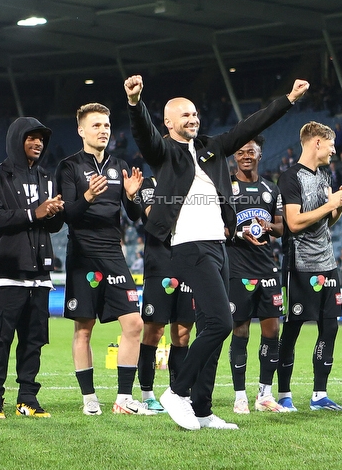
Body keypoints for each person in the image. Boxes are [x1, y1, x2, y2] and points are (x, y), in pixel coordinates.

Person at [126, 74, 307, 430]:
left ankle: (204, 410)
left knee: (213, 326)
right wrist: (135, 103)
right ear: (168, 123)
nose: (192, 119)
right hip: (188, 244)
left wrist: (288, 99)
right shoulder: (163, 151)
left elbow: (251, 124)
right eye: (184, 116)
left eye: (195, 114)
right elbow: (143, 134)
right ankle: (176, 392)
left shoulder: (212, 147)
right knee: (223, 322)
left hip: (218, 244)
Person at [57, 103, 152, 417]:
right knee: (84, 329)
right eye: (96, 125)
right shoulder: (69, 167)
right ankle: (89, 399)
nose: (103, 131)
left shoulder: (119, 165)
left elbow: (135, 217)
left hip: (114, 254)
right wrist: (87, 197)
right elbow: (67, 215)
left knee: (134, 323)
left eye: (106, 126)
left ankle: (123, 398)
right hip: (83, 255)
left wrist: (131, 195)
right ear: (82, 130)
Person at [0, 117, 64, 419]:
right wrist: (34, 213)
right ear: (17, 139)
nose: (38, 143)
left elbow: (51, 224)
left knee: (34, 340)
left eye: (41, 139)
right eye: (31, 138)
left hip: (40, 274)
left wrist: (54, 213)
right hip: (7, 271)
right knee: (0, 339)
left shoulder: (45, 176)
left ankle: (27, 397)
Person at [275, 121, 342, 412]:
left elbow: (325, 221)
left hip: (327, 262)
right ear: (316, 143)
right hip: (300, 265)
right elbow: (294, 223)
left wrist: (340, 205)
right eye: (330, 143)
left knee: (330, 327)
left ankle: (320, 395)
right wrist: (329, 202)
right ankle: (284, 394)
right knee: (293, 328)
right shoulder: (289, 177)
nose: (335, 149)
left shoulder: (324, 176)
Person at [225, 137, 287, 414]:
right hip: (238, 269)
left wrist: (269, 227)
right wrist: (241, 232)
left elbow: (282, 227)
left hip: (267, 268)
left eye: (251, 151)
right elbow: (220, 226)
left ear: (260, 155)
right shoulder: (225, 187)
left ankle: (265, 393)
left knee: (272, 330)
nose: (245, 156)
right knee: (240, 329)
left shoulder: (271, 189)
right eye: (240, 152)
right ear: (235, 157)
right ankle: (240, 395)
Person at [136, 176, 195, 413]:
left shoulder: (193, 182)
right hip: (159, 265)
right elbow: (154, 215)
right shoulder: (149, 184)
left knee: (182, 333)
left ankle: (178, 392)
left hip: (188, 263)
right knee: (154, 331)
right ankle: (147, 393)